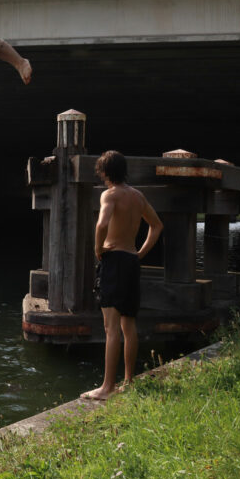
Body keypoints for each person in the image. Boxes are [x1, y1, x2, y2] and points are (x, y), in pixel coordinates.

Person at [81, 150, 163, 402]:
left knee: (111, 327)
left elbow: (102, 224)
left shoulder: (110, 194)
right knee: (129, 324)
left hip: (114, 261)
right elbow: (157, 225)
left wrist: (98, 249)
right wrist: (140, 253)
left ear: (105, 172)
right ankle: (128, 381)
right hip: (130, 261)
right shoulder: (138, 196)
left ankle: (107, 387)